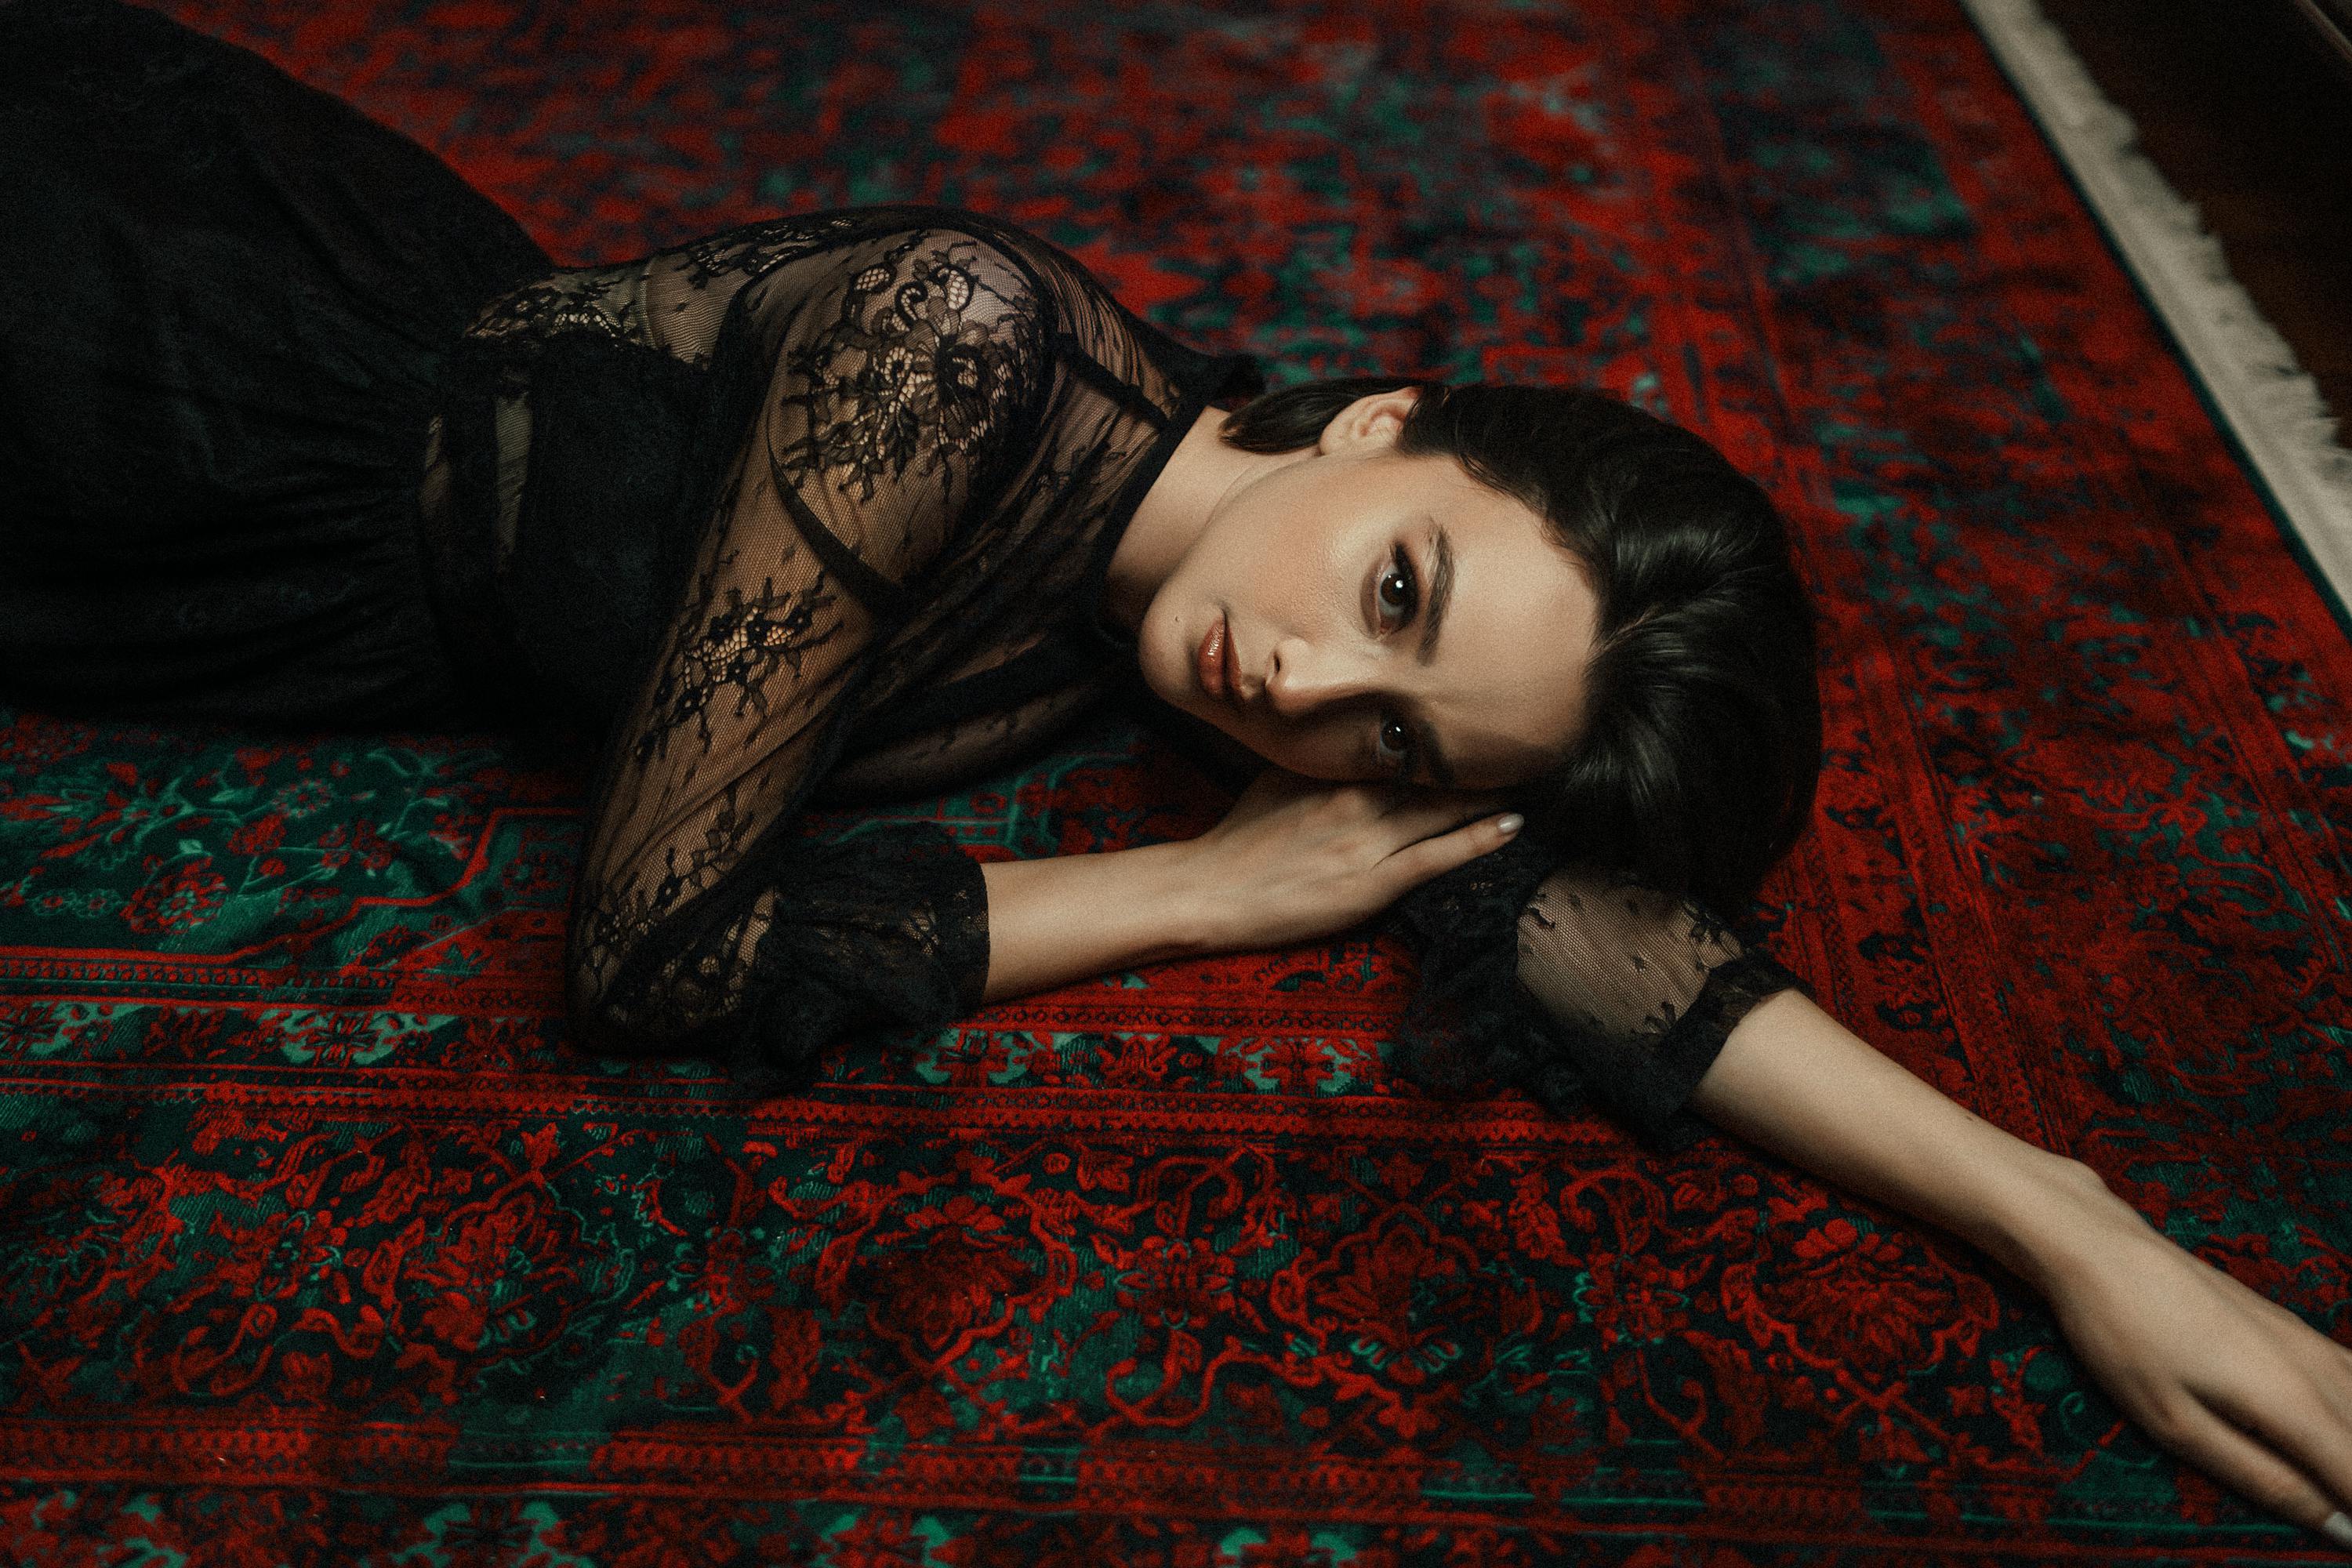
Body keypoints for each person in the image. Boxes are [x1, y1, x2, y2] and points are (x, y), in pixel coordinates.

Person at [4, 0, 2350, 1546]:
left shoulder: (1219, 602)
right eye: (1401, 585)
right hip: (154, 382)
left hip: (284, 541)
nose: (1303, 686)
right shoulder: (956, 347)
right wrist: (1209, 895)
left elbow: (1588, 920)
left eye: (1394, 726)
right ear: (1378, 418)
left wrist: (2081, 1232)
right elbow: (649, 953)